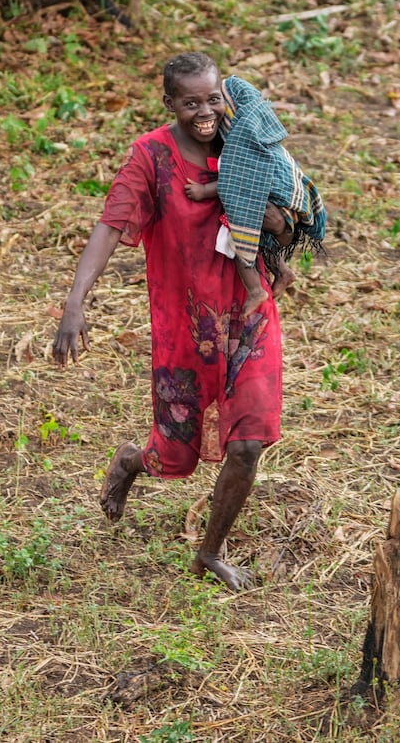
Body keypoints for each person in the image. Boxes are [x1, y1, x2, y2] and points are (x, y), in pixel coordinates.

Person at [52, 52, 292, 591]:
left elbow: (285, 212)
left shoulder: (245, 141)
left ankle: (210, 552)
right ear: (170, 104)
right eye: (191, 103)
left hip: (251, 312)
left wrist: (277, 221)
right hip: (187, 327)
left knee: (248, 441)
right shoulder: (152, 158)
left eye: (213, 100)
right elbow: (112, 224)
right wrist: (74, 303)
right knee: (174, 449)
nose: (205, 112)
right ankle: (131, 463)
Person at [182, 73, 326, 316]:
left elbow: (236, 182)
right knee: (259, 239)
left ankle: (255, 289)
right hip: (282, 200)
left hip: (273, 200)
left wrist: (202, 190)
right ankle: (282, 271)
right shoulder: (265, 136)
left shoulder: (245, 145)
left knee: (240, 236)